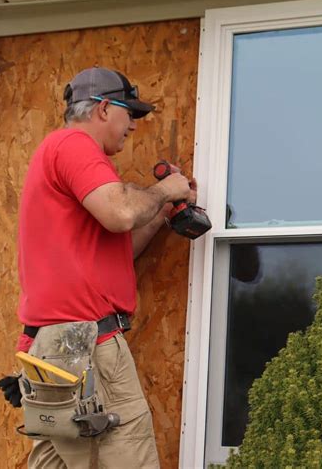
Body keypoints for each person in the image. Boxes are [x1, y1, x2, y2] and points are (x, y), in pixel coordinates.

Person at [15, 67, 196, 468]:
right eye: (128, 112)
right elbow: (119, 211)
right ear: (101, 109)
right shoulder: (75, 146)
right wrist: (168, 188)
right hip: (84, 343)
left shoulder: (59, 154)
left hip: (52, 347)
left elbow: (117, 246)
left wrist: (161, 211)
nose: (132, 124)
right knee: (127, 453)